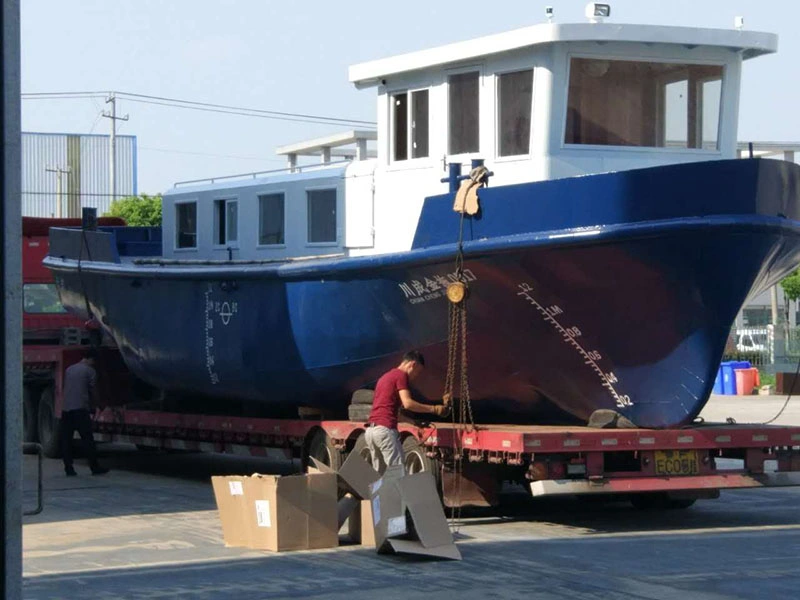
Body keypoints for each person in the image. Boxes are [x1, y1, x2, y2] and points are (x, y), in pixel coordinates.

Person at [364, 350, 449, 472]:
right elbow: (408, 404)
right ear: (412, 364)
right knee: (398, 472)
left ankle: (376, 492)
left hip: (371, 432)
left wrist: (414, 423)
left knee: (380, 475)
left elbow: (393, 413)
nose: (415, 376)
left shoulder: (384, 377)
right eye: (417, 372)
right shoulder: (400, 375)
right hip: (384, 432)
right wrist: (434, 409)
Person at [61, 349, 108, 476]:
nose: (94, 364)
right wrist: (98, 405)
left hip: (66, 409)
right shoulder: (90, 371)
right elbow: (93, 391)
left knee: (66, 440)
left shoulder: (69, 369)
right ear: (91, 359)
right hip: (80, 410)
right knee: (88, 440)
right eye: (94, 361)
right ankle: (94, 467)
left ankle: (68, 468)